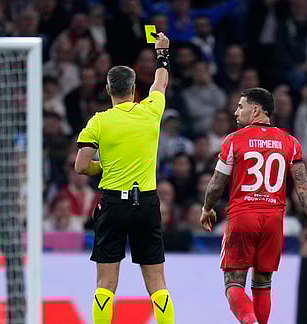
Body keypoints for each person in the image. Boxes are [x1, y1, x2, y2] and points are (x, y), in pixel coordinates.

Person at [199, 88, 307, 324]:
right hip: (273, 220)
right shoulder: (290, 142)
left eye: (240, 106)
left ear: (255, 109)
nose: (236, 112)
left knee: (233, 283)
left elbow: (217, 183)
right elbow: (303, 187)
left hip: (243, 215)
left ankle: (250, 321)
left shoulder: (234, 140)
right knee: (263, 282)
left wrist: (207, 208)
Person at [74, 33, 174, 324]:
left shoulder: (99, 121)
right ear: (134, 89)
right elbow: (161, 82)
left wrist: (102, 166)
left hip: (113, 204)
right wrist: (162, 53)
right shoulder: (151, 111)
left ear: (108, 90)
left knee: (105, 284)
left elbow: (81, 166)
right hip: (145, 201)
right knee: (157, 284)